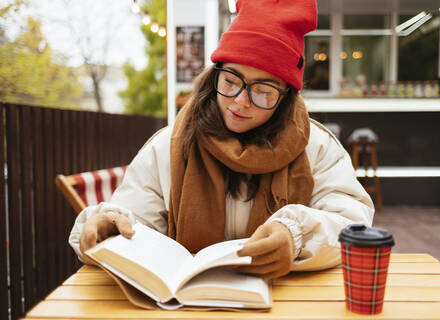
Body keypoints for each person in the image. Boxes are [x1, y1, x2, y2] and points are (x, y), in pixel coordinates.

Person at [69, 0, 374, 280]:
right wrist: (109, 226)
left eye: (263, 91)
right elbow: (135, 219)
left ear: (286, 97)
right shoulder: (169, 146)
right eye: (230, 81)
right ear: (214, 76)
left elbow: (351, 219)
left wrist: (297, 237)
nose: (240, 102)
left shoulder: (316, 148)